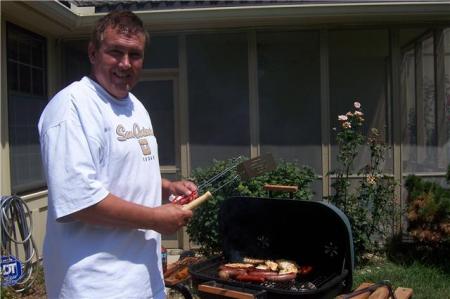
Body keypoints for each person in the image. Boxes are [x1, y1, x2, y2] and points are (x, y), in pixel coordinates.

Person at [38, 10, 196, 299]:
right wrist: (154, 218)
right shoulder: (72, 107)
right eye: (115, 52)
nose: (125, 63)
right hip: (96, 286)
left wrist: (168, 188)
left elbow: (121, 174)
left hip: (145, 280)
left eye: (134, 55)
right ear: (93, 52)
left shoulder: (136, 107)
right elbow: (80, 202)